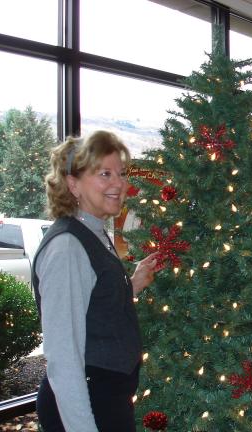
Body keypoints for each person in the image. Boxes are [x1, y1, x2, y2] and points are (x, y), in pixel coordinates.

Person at [32, 130, 158, 432]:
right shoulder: (67, 247)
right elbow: (63, 360)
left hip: (108, 398)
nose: (119, 183)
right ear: (72, 183)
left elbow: (93, 304)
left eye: (121, 173)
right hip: (87, 405)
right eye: (105, 174)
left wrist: (131, 284)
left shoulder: (93, 231)